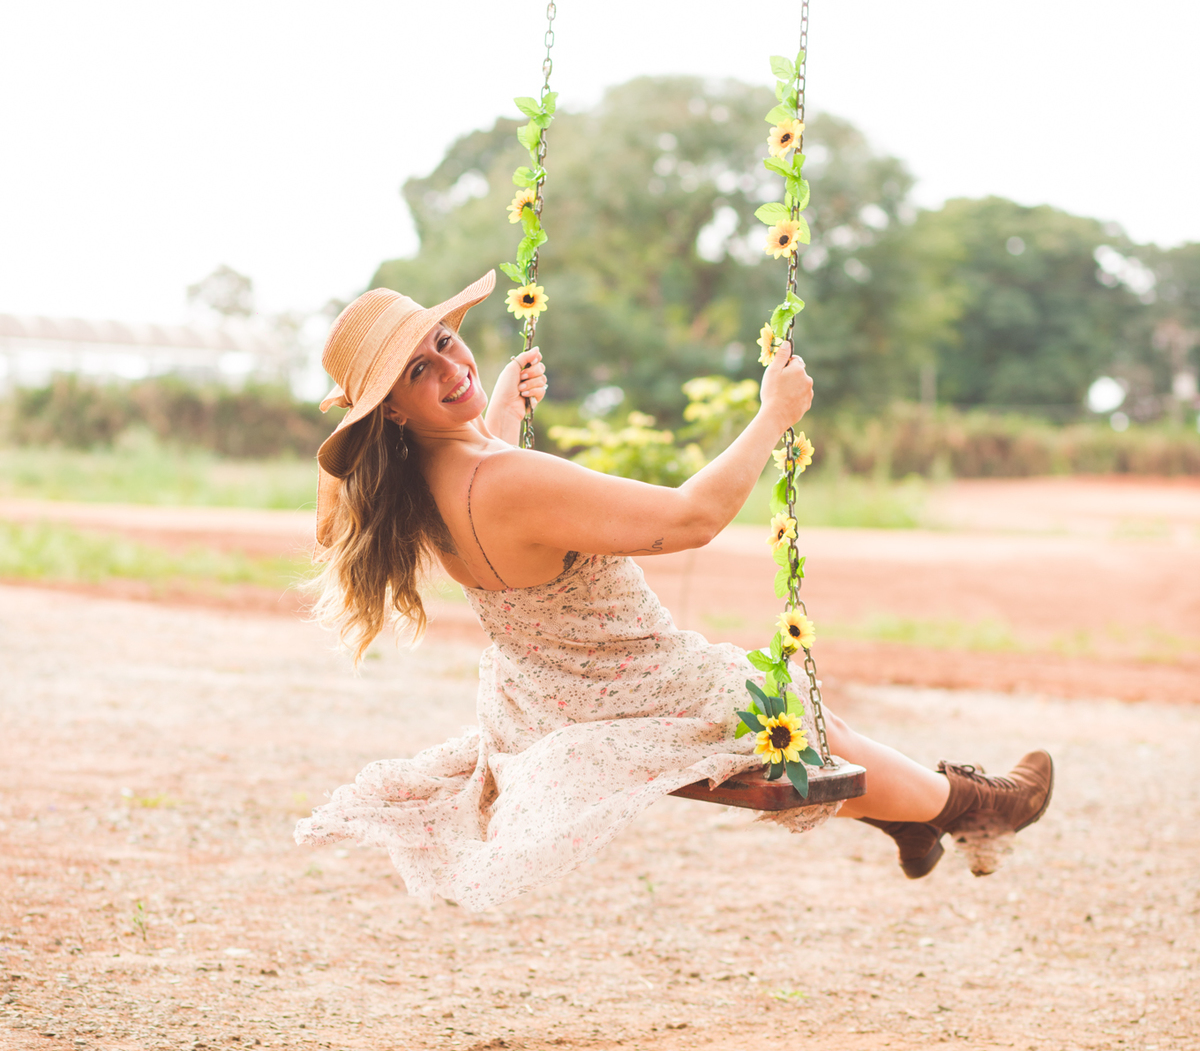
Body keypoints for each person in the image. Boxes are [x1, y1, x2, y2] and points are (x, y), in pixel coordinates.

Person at [295, 271, 1052, 910]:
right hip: (634, 683)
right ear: (392, 407)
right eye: (419, 373)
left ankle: (915, 822)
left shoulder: (420, 486)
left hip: (549, 693)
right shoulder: (506, 478)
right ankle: (980, 809)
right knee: (797, 719)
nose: (449, 366)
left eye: (444, 343)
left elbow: (485, 496)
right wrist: (772, 415)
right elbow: (692, 518)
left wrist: (497, 409)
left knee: (798, 717)